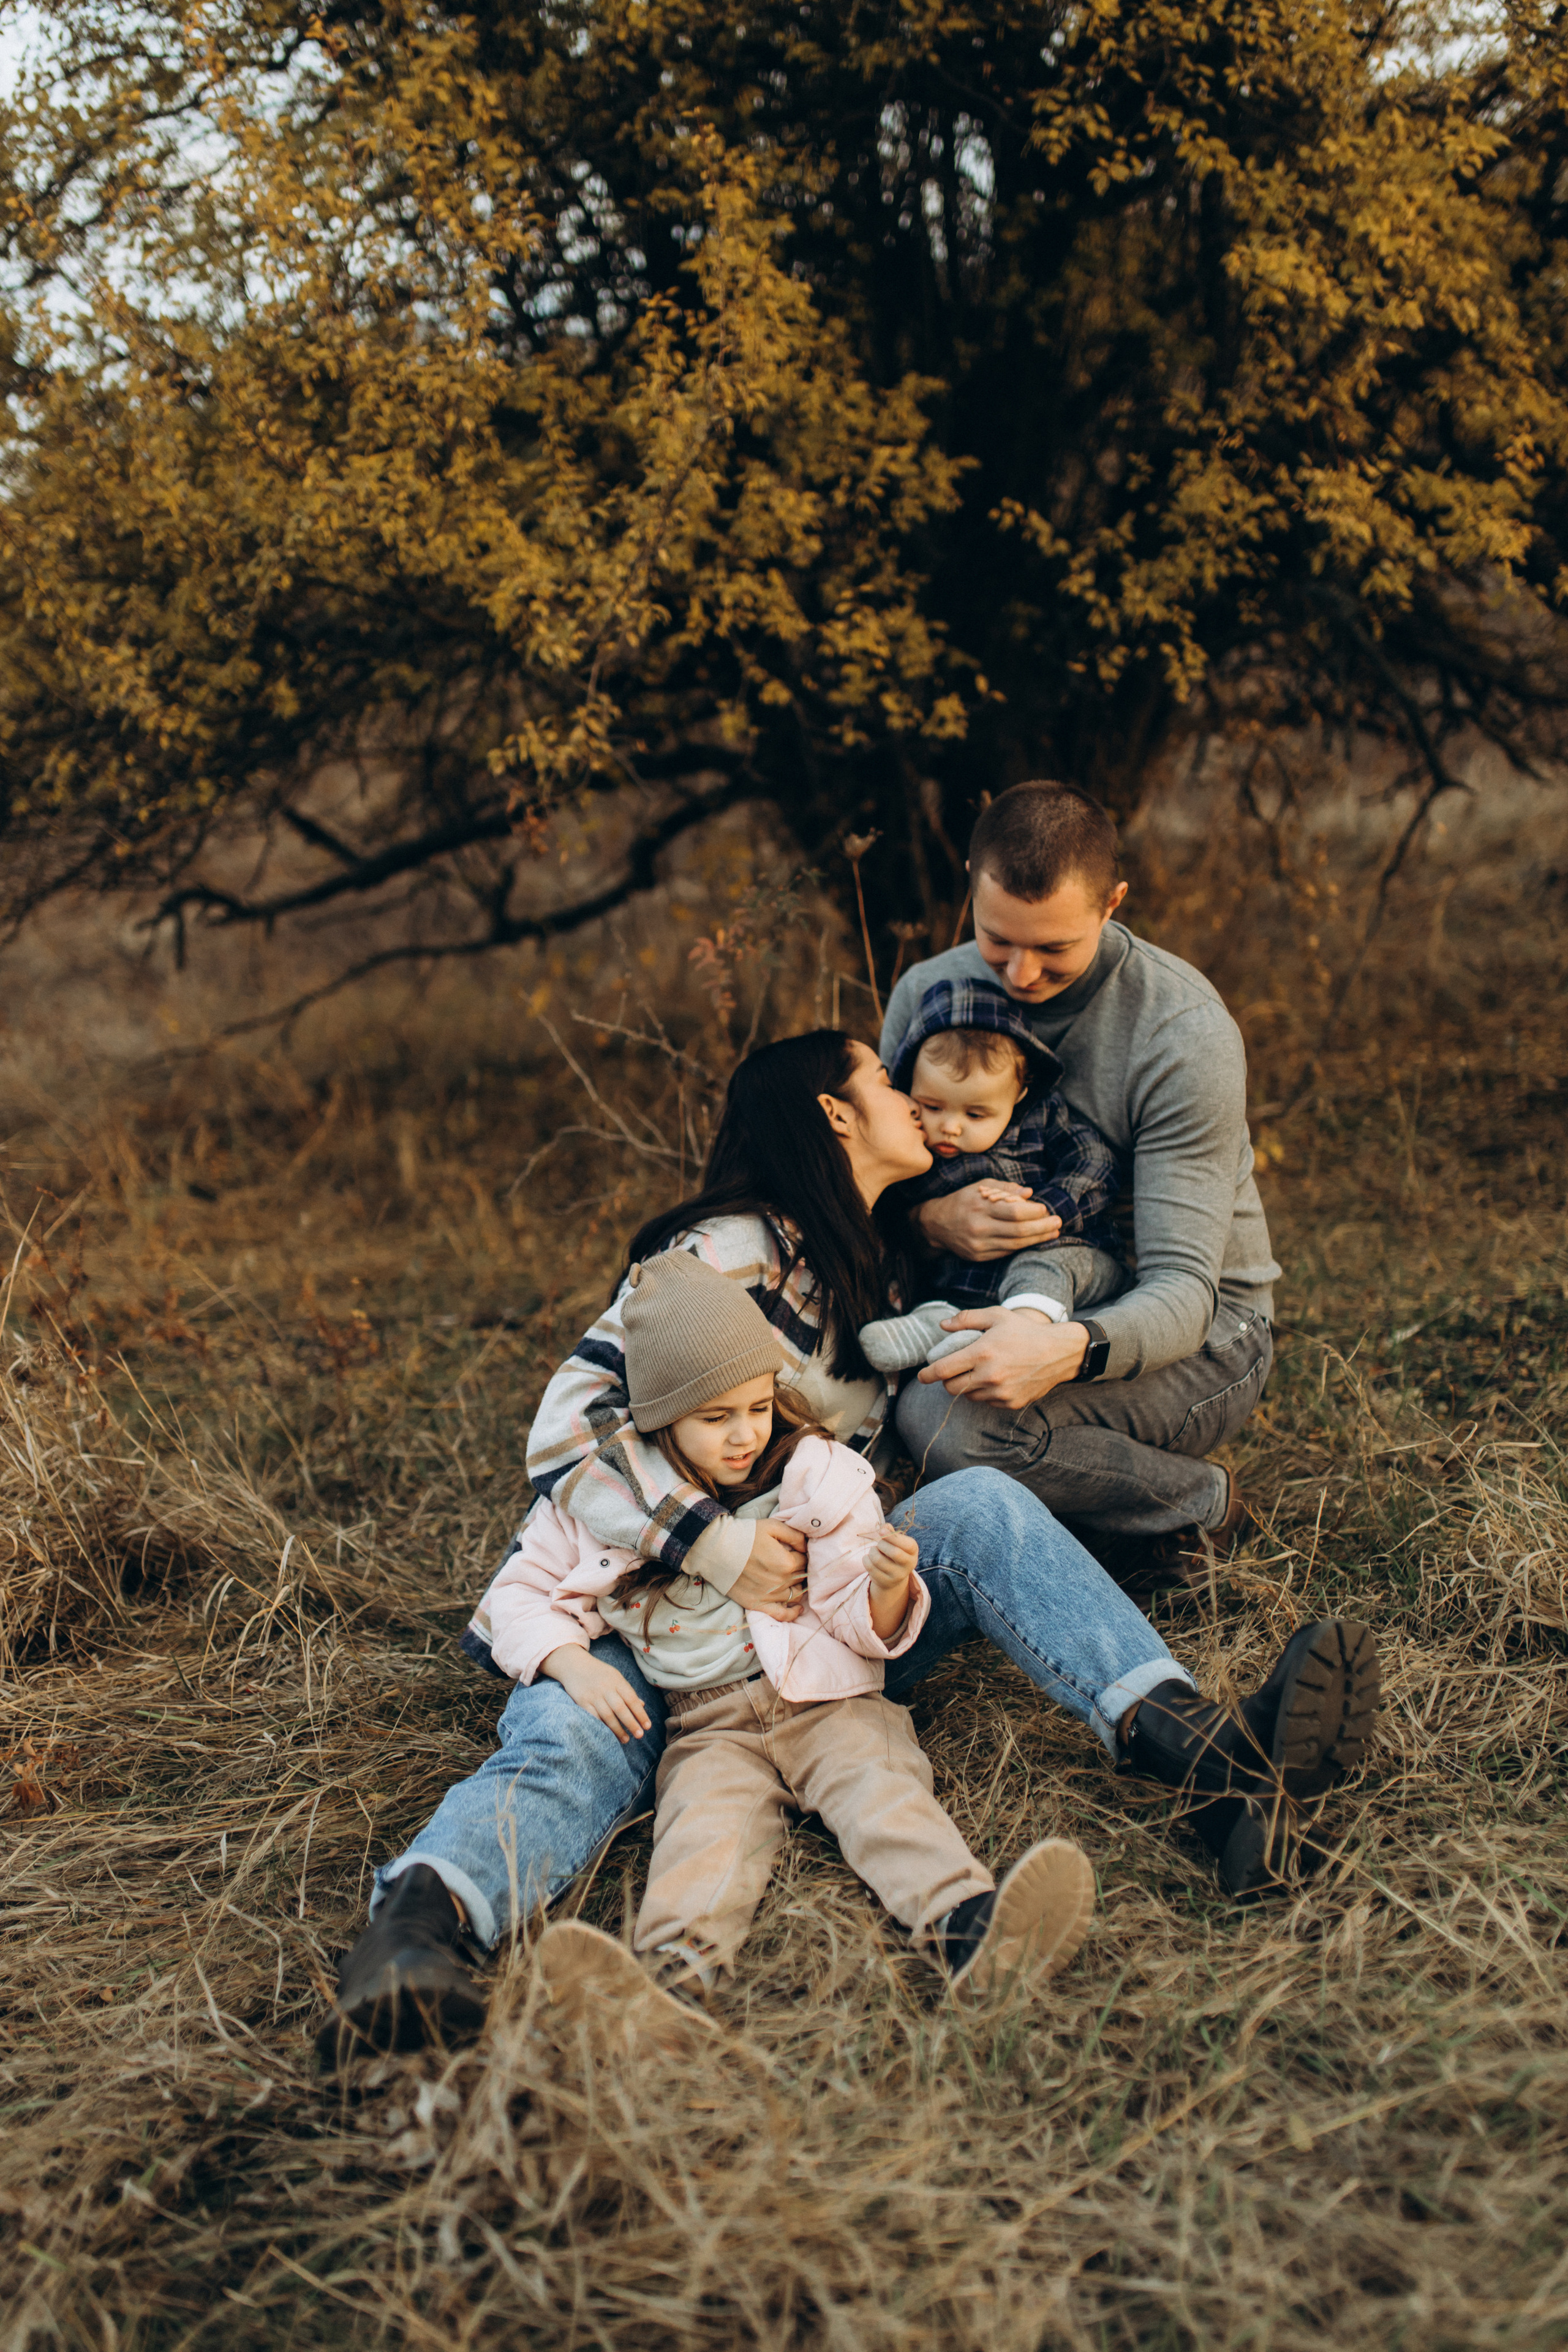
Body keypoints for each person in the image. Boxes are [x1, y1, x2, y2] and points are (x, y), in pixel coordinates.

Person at [316, 1031, 1378, 2064]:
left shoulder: (867, 1264)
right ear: (835, 1112)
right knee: (569, 1740)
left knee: (981, 1512)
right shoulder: (729, 1251)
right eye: (882, 1078)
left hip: (815, 1629)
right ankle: (416, 1937)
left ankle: (1212, 1762)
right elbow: (569, 1424)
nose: (911, 1096)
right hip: (645, 1624)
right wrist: (715, 1548)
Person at [490, 1248, 1096, 2018]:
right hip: (707, 1725)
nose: (745, 1435)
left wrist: (882, 1590)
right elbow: (517, 1594)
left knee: (885, 1798)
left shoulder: (815, 1473)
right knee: (701, 1838)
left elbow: (856, 1618)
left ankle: (972, 1931)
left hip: (830, 1699)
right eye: (714, 1420)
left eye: (757, 1407)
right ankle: (668, 1987)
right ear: (657, 1420)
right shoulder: (612, 1505)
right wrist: (568, 1660)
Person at [881, 780, 1281, 1583]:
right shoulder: (927, 995)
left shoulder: (1180, 1032)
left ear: (1113, 905)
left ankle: (1197, 1504)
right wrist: (932, 1223)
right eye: (999, 941)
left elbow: (1184, 1291)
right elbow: (871, 1189)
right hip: (975, 1296)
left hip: (1197, 1332)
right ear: (970, 883)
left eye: (1054, 949)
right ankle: (1075, 1512)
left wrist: (1064, 1348)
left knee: (940, 1425)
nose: (1022, 973)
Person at [858, 974, 1127, 1374]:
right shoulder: (910, 1147)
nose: (950, 1127)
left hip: (1069, 1252)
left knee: (1041, 1268)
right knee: (940, 1286)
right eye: (931, 1106)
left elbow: (1095, 1162)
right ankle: (939, 1326)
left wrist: (1045, 1211)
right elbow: (890, 1209)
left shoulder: (1041, 1117)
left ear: (1018, 1095)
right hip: (967, 1275)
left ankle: (1023, 1327)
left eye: (976, 1114)